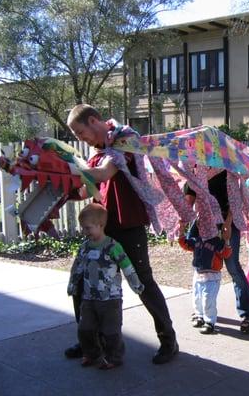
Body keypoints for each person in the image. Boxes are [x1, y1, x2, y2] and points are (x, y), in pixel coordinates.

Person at [66, 104, 178, 365]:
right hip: (101, 228)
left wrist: (65, 170)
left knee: (142, 284)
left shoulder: (124, 139)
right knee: (83, 284)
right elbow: (87, 189)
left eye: (81, 133)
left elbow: (105, 172)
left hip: (129, 226)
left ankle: (168, 340)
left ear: (94, 120)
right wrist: (58, 185)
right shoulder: (96, 153)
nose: (81, 139)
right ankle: (89, 343)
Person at [67, 203, 145, 369]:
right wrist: (72, 284)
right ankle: (91, 354)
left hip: (111, 299)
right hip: (89, 298)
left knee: (111, 331)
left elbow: (127, 266)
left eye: (88, 228)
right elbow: (77, 267)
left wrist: (136, 284)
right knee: (85, 329)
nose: (84, 232)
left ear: (100, 225)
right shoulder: (85, 247)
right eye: (83, 228)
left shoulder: (113, 246)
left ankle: (114, 357)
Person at [187, 172, 249, 334]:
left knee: (233, 268)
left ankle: (247, 315)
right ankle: (201, 313)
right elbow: (189, 196)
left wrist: (228, 223)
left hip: (226, 222)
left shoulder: (227, 167)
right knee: (201, 267)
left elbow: (235, 198)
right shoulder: (196, 168)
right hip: (203, 223)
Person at [178, 208, 232, 335]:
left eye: (209, 224)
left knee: (208, 299)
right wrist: (181, 230)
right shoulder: (197, 240)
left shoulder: (217, 242)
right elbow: (184, 243)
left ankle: (210, 322)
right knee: (197, 297)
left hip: (212, 276)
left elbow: (226, 253)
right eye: (202, 224)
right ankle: (199, 315)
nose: (205, 227)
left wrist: (227, 240)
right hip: (198, 274)